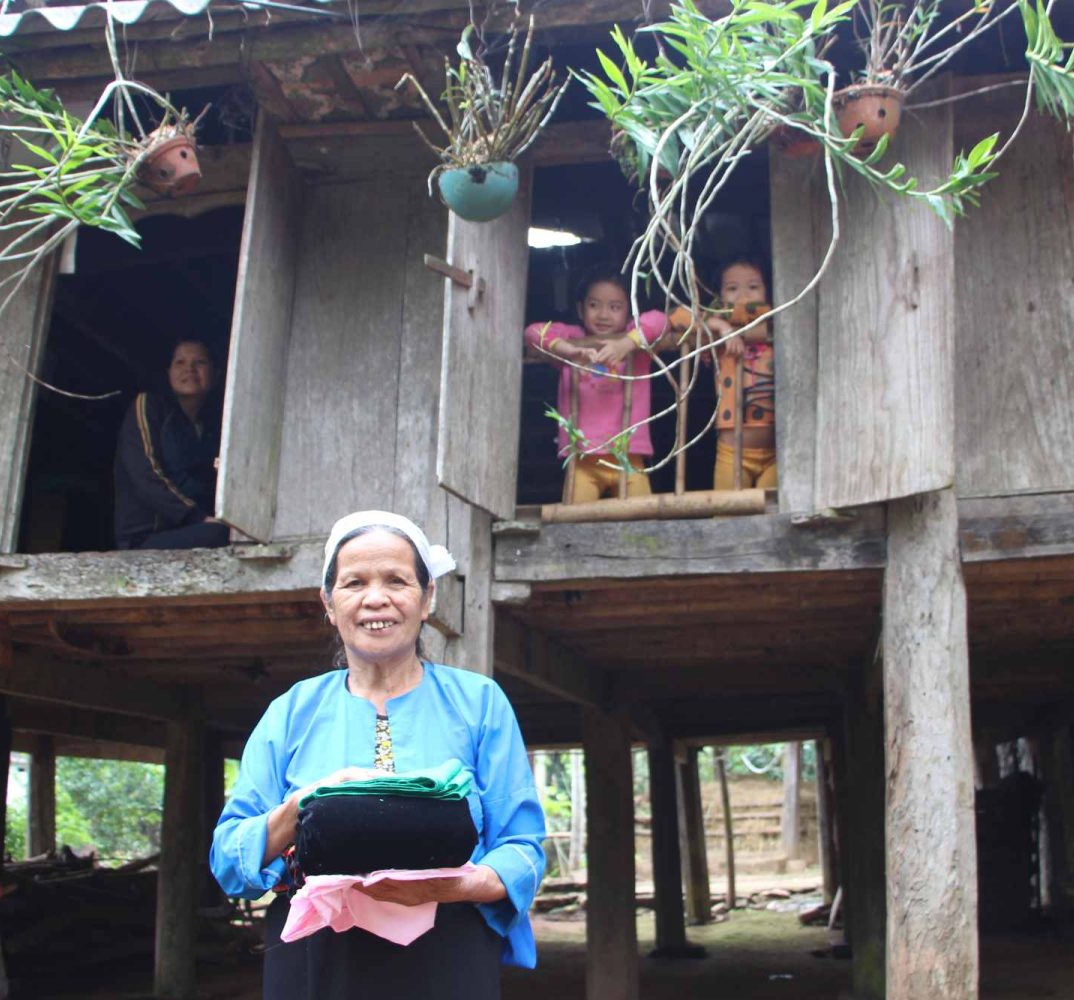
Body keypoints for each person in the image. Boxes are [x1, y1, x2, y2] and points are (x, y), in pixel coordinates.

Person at [210, 511, 546, 999]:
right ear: (329, 603)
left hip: (448, 955)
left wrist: (447, 887)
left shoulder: (479, 704)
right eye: (354, 583)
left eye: (396, 580)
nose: (375, 598)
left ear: (427, 598)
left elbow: (522, 848)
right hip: (315, 957)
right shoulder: (292, 712)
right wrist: (304, 804)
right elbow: (228, 857)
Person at [524, 266, 669, 502]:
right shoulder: (573, 338)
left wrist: (626, 344)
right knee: (577, 519)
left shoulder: (636, 343)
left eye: (615, 307)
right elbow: (533, 332)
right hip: (583, 458)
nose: (603, 315)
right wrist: (569, 351)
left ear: (629, 311)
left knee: (640, 519)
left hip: (628, 455)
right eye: (594, 305)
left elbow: (661, 320)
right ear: (580, 309)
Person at [112, 338, 231, 550]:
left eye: (200, 362)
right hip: (146, 536)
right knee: (221, 534)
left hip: (190, 529)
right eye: (180, 362)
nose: (189, 369)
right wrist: (196, 517)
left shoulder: (211, 428)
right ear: (168, 373)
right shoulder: (149, 406)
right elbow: (145, 473)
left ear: (216, 374)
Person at [670, 258, 777, 490]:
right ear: (719, 297)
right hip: (732, 453)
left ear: (768, 291)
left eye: (753, 287)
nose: (743, 296)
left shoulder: (779, 322)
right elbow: (676, 316)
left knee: (773, 507)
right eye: (732, 288)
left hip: (777, 454)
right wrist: (721, 327)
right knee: (729, 510)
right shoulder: (717, 330)